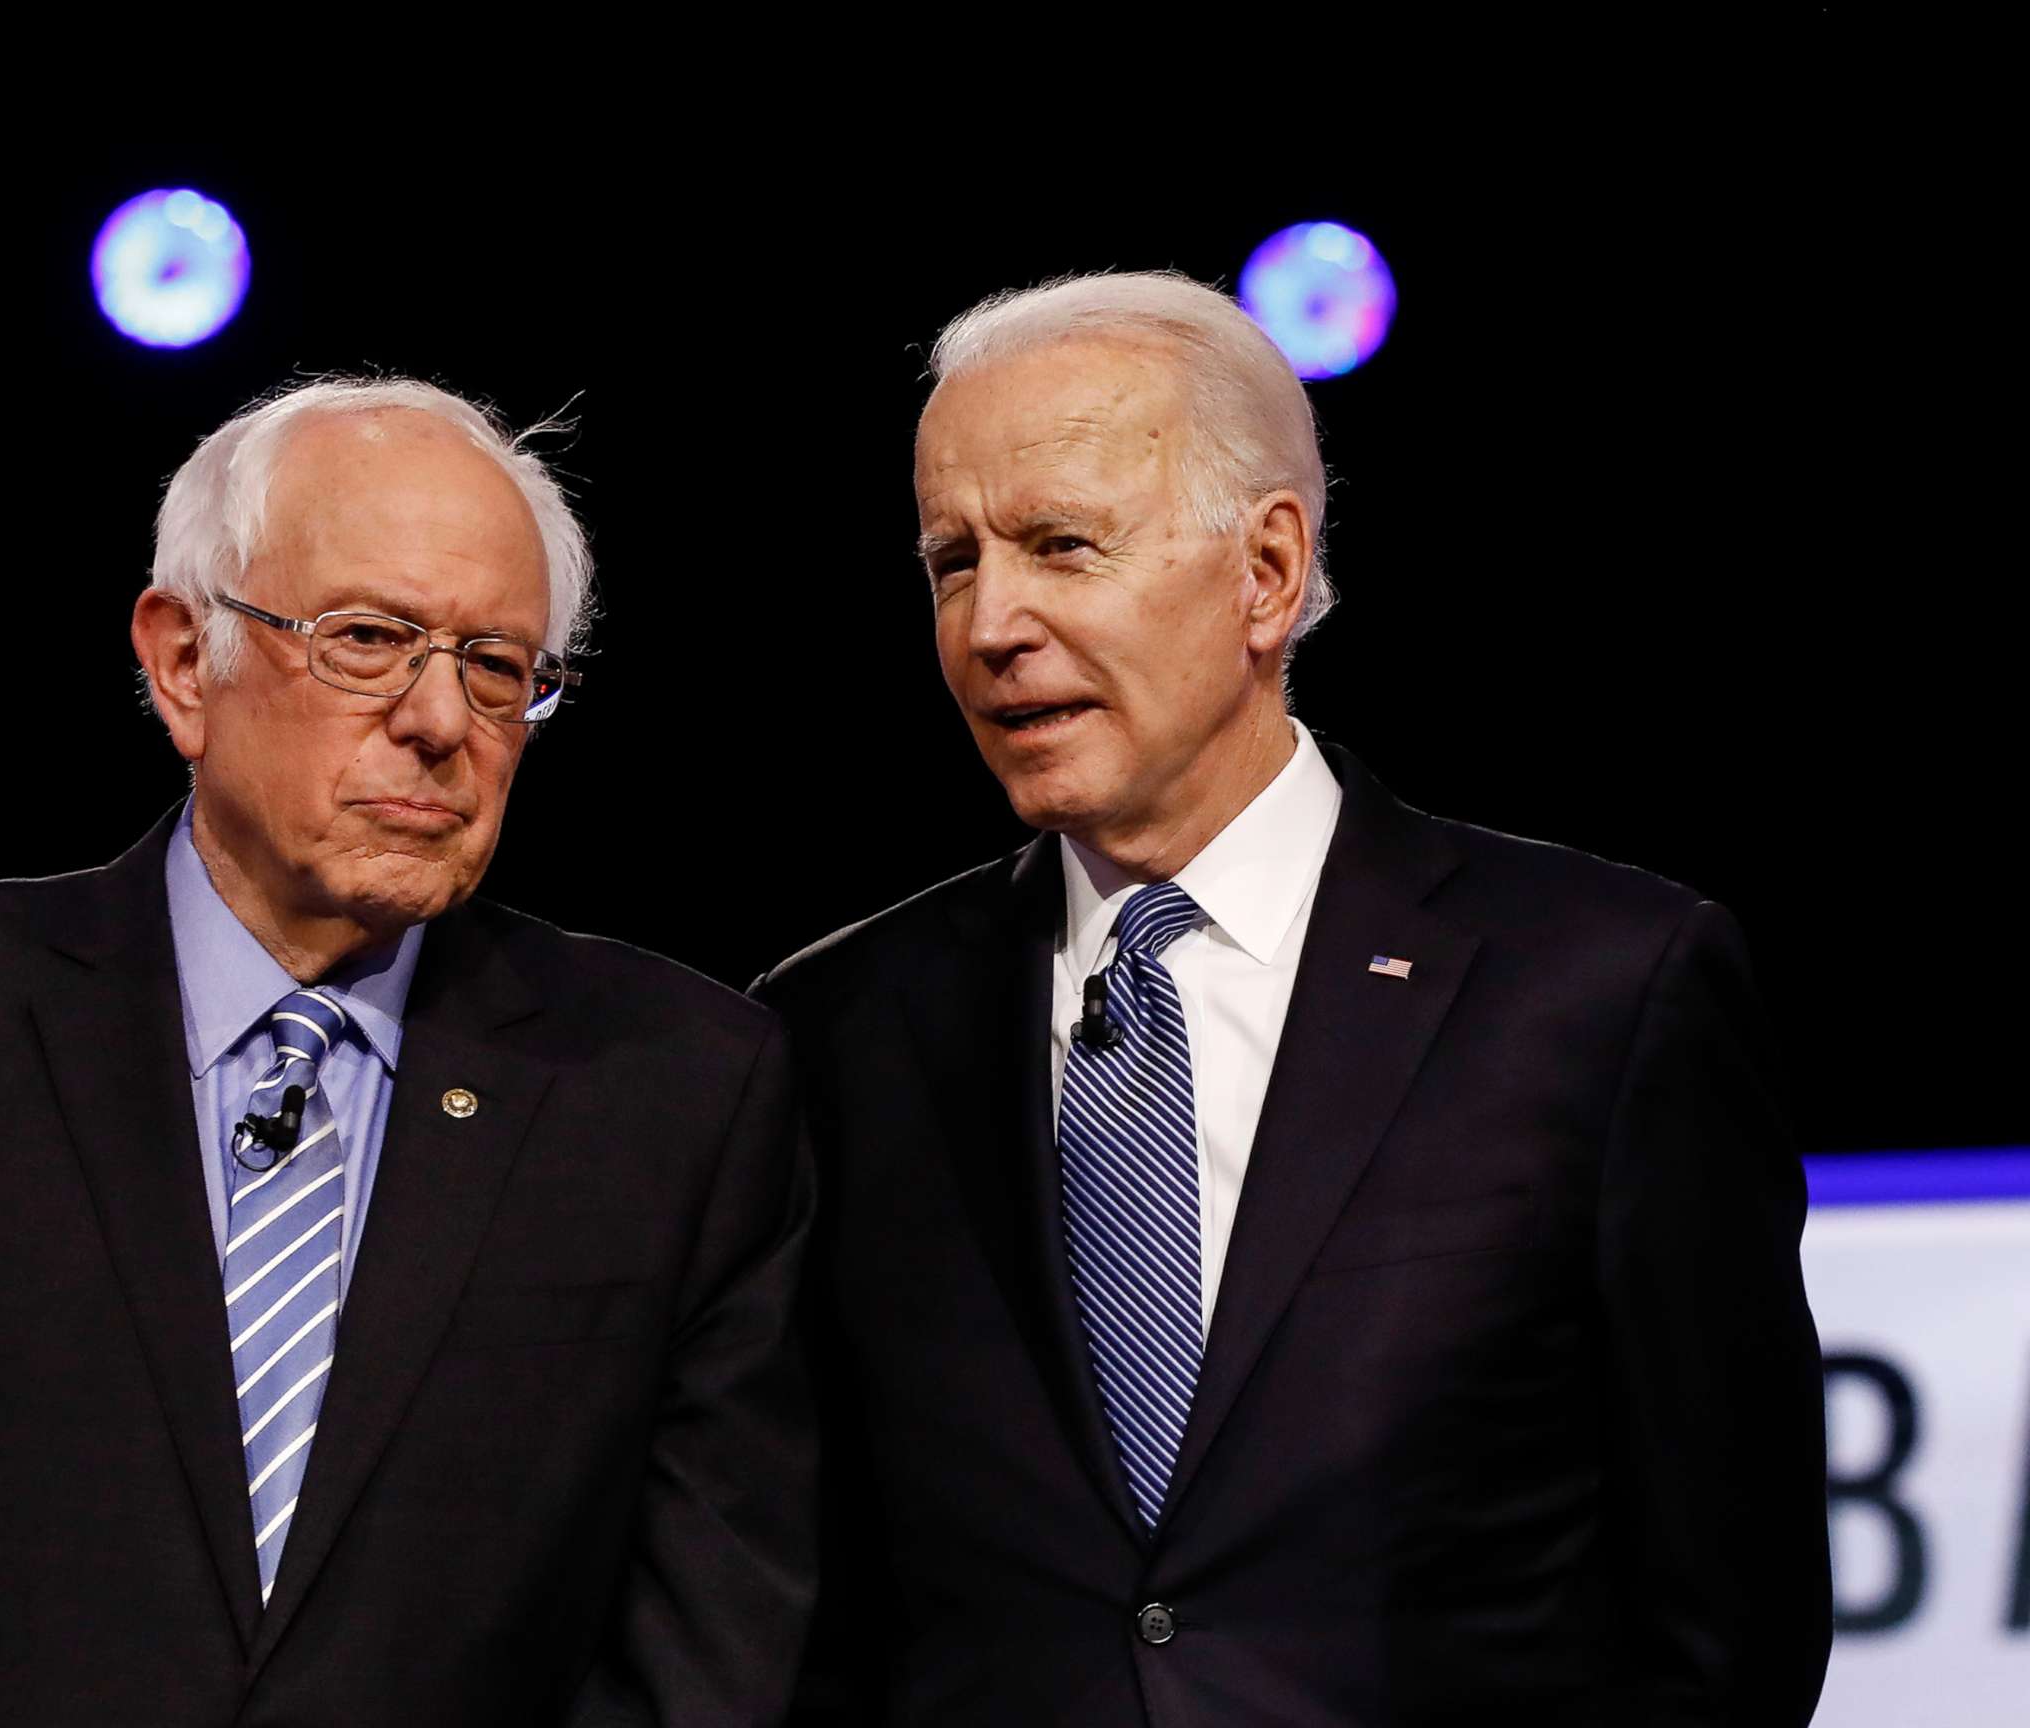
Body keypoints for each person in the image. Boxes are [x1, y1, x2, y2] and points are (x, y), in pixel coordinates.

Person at [755, 273, 1831, 1724]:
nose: (992, 622)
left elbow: (1731, 1625)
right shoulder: (838, 1033)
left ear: (1266, 572)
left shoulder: (1601, 992)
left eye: (1063, 546)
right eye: (953, 561)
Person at [0, 378, 816, 1726]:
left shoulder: (676, 1089)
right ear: (179, 661)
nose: (441, 721)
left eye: (497, 667)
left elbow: (709, 1650)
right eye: (370, 639)